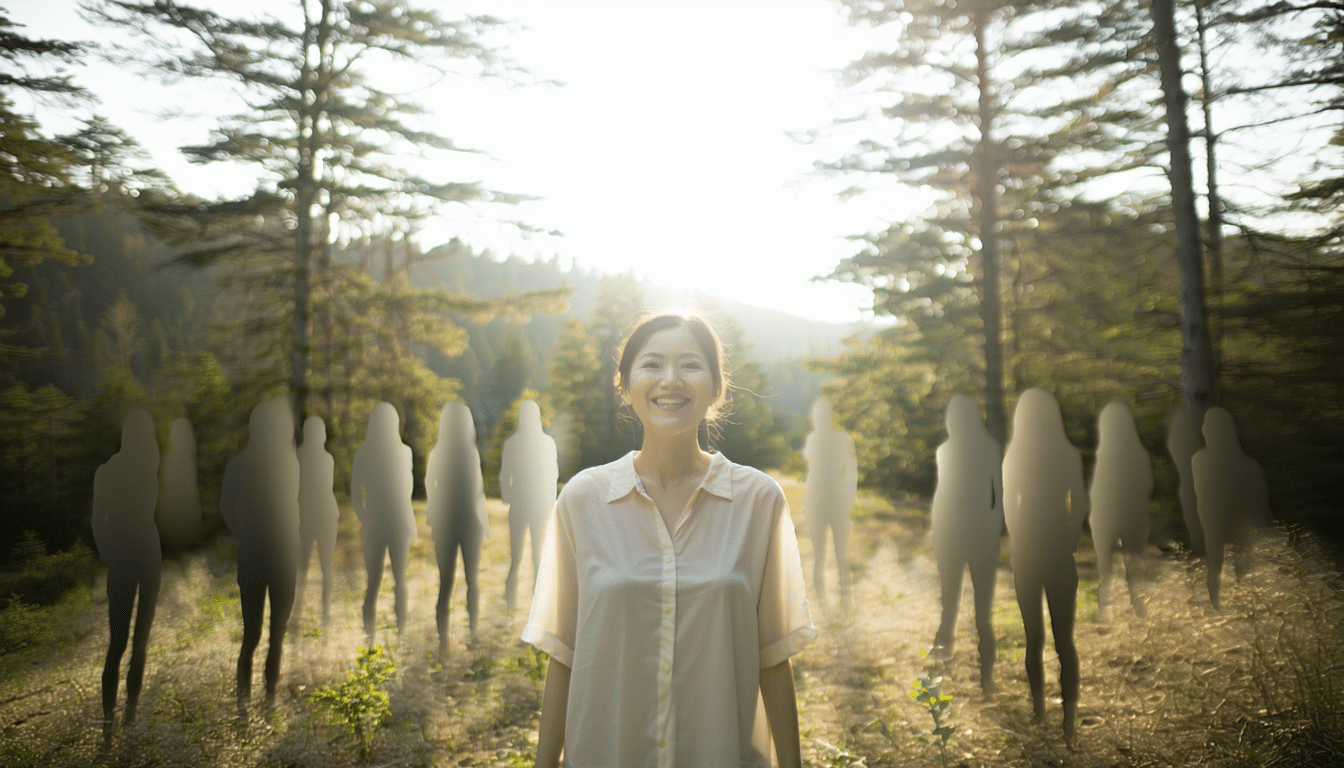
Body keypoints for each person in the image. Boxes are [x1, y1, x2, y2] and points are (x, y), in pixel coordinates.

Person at [523, 312, 817, 768]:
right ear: (624, 384)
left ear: (717, 387)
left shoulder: (759, 500)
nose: (671, 380)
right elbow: (564, 655)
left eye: (691, 365)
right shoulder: (582, 500)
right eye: (653, 364)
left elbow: (773, 657)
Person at [1002, 388, 1088, 742]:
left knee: (1033, 638)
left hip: (1027, 552)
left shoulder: (1015, 454)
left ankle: (1039, 713)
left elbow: (1009, 501)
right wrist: (1072, 537)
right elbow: (1081, 500)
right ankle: (1069, 719)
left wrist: (1016, 538)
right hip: (1058, 551)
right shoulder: (1068, 453)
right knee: (1064, 641)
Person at [219, 398, 300, 717]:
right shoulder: (289, 462)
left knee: (250, 635)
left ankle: (243, 705)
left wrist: (242, 533)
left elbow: (226, 506)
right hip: (283, 555)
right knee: (276, 635)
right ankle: (268, 701)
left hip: (251, 555)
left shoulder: (239, 462)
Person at [91, 409, 161, 748]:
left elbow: (96, 520)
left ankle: (108, 723)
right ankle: (131, 713)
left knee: (115, 645)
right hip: (149, 555)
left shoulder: (106, 471)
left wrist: (107, 552)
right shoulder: (149, 469)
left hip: (120, 557)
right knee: (139, 643)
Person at [929, 394, 1002, 696]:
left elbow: (942, 497)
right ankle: (986, 675)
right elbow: (1000, 498)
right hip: (982, 535)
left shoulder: (946, 450)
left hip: (950, 534)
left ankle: (941, 659)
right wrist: (993, 530)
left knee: (950, 600)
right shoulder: (990, 449)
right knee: (982, 610)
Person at [425, 401, 489, 657]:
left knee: (446, 582)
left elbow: (431, 489)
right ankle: (472, 632)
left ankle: (443, 642)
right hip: (469, 523)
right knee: (472, 579)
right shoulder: (471, 454)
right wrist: (483, 522)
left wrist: (433, 516)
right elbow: (478, 491)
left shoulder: (436, 454)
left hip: (444, 524)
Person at [350, 401, 417, 641]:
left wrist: (364, 519)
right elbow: (407, 490)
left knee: (373, 582)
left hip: (375, 524)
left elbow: (354, 494)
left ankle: (370, 639)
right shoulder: (404, 452)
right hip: (397, 521)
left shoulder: (363, 452)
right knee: (399, 579)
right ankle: (400, 634)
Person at [1192, 407, 1271, 610]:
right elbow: (1258, 498)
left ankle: (1217, 607)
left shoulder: (1199, 459)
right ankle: (1244, 606)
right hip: (1236, 520)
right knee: (1241, 566)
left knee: (1216, 567)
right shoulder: (1248, 463)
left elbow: (1202, 495)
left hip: (1214, 521)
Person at [1089, 401, 1153, 620]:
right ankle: (1138, 610)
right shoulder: (1139, 454)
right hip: (1133, 516)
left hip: (1105, 518)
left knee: (1105, 569)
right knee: (1134, 568)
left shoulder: (1104, 455)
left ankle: (1103, 612)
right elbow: (1147, 486)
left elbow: (1096, 491)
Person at [499, 399, 558, 613]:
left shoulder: (514, 444)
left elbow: (505, 477)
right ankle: (528, 607)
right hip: (534, 505)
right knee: (532, 557)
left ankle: (516, 606)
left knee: (523, 558)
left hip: (526, 506)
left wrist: (509, 497)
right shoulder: (545, 443)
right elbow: (552, 475)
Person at [802, 397, 856, 609]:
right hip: (820, 501)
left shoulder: (836, 439)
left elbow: (850, 470)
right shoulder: (814, 439)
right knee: (823, 555)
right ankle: (825, 600)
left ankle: (840, 599)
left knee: (835, 554)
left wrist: (850, 494)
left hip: (829, 501)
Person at [295, 415, 340, 628]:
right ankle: (326, 613)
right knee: (325, 567)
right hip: (325, 516)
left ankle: (298, 610)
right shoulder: (327, 458)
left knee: (302, 566)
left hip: (306, 516)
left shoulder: (297, 456)